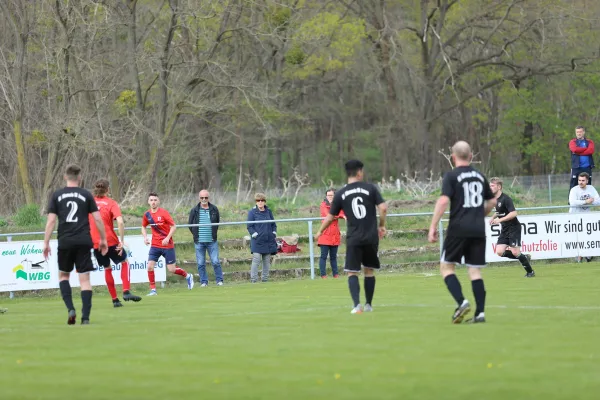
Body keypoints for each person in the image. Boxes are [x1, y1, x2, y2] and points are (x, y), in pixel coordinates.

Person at [428, 141, 496, 324]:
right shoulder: (480, 176)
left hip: (458, 228)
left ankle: (462, 301)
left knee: (446, 267)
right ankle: (480, 314)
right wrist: (479, 214)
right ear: (471, 156)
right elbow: (491, 202)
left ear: (453, 156)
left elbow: (443, 201)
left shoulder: (452, 176)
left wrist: (433, 225)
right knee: (474, 271)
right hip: (477, 229)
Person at [315, 160, 387, 314]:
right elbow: (383, 207)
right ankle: (368, 305)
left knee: (352, 272)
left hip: (354, 237)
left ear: (347, 173)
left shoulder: (341, 193)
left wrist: (320, 231)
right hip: (371, 236)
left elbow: (329, 217)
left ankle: (357, 306)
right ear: (360, 172)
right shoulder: (370, 188)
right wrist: (381, 225)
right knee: (368, 271)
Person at [42, 164, 108, 325]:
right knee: (84, 280)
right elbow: (98, 219)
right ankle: (85, 317)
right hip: (83, 241)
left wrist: (46, 242)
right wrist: (103, 239)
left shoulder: (57, 195)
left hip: (65, 241)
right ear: (80, 178)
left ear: (65, 177)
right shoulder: (86, 194)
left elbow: (51, 221)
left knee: (64, 276)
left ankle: (71, 309)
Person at [89, 179, 142, 307]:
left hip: (96, 243)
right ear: (108, 190)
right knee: (125, 262)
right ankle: (126, 291)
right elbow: (120, 222)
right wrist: (122, 241)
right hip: (111, 241)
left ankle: (115, 300)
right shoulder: (111, 203)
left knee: (107, 268)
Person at [142, 192, 194, 295]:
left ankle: (188, 276)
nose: (153, 202)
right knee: (149, 266)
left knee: (172, 269)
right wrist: (145, 237)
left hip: (167, 245)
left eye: (155, 200)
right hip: (155, 246)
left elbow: (174, 226)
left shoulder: (164, 213)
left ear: (158, 201)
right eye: (151, 200)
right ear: (148, 201)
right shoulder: (147, 215)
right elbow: (143, 226)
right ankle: (153, 290)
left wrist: (167, 238)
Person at [489, 178, 535, 277]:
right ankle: (524, 257)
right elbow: (499, 211)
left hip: (514, 228)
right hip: (505, 229)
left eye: (492, 186)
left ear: (499, 187)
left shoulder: (506, 199)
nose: (490, 188)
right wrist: (493, 217)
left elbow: (514, 213)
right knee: (499, 252)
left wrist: (500, 220)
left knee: (515, 252)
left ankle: (530, 272)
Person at [188, 189, 224, 286]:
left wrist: (213, 234)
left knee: (215, 261)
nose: (204, 199)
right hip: (199, 241)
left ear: (209, 198)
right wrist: (196, 235)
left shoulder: (214, 209)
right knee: (200, 263)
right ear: (199, 198)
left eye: (206, 197)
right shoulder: (194, 210)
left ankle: (219, 280)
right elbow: (190, 225)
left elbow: (217, 223)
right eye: (202, 197)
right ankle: (204, 281)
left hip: (212, 241)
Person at [569, 172, 600, 262]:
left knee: (588, 236)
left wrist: (591, 202)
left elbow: (598, 200)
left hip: (587, 217)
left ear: (587, 181)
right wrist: (586, 201)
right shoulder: (574, 190)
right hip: (575, 216)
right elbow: (572, 202)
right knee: (577, 238)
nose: (580, 182)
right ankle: (578, 257)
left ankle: (588, 256)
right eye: (579, 180)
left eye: (583, 180)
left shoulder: (591, 188)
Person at [246, 193, 277, 283]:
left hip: (268, 240)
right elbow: (249, 226)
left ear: (265, 202)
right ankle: (254, 280)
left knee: (266, 261)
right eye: (258, 200)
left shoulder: (269, 211)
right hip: (257, 240)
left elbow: (273, 224)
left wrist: (274, 233)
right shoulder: (252, 212)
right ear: (256, 202)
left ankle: (265, 279)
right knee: (256, 259)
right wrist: (255, 234)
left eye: (262, 200)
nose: (260, 202)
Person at [317, 188, 345, 278]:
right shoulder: (323, 204)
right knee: (323, 256)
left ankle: (335, 274)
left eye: (331, 195)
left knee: (333, 257)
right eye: (328, 195)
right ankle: (323, 275)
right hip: (325, 234)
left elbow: (342, 213)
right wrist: (339, 216)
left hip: (335, 234)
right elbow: (329, 215)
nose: (329, 197)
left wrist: (339, 215)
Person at [569, 125, 595, 190]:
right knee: (573, 186)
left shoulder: (589, 142)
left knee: (588, 186)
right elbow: (574, 150)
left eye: (580, 132)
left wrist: (579, 152)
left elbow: (590, 151)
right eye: (577, 132)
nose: (579, 133)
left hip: (587, 167)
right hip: (576, 167)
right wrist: (585, 149)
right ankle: (571, 200)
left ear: (583, 132)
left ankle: (587, 200)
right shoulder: (572, 142)